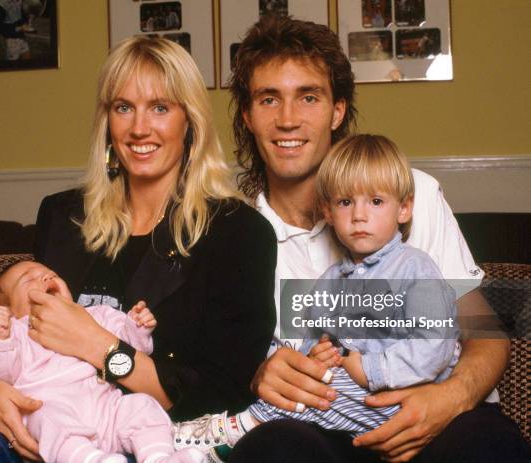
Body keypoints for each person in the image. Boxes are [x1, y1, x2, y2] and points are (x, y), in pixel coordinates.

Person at [0, 36, 277, 463]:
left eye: (160, 107)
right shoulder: (63, 215)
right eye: (123, 107)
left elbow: (219, 395)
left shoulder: (239, 233)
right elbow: (22, 338)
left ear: (190, 121)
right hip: (43, 436)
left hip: (152, 444)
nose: (139, 128)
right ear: (108, 120)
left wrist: (100, 346)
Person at [224, 14, 528, 463]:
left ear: (338, 110)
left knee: (488, 447)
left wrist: (451, 399)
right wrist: (256, 376)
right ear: (248, 116)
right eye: (270, 99)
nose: (288, 119)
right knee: (271, 450)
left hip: (438, 421)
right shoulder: (236, 233)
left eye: (308, 97)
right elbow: (218, 363)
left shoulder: (412, 193)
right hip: (324, 428)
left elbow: (487, 335)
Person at [173, 134, 460, 455]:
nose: (359, 215)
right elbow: (311, 339)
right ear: (328, 210)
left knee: (327, 387)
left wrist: (369, 368)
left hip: (401, 397)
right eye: (345, 202)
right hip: (348, 411)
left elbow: (435, 345)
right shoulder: (332, 280)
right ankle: (223, 447)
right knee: (310, 385)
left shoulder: (415, 268)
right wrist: (315, 355)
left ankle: (238, 428)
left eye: (376, 202)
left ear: (404, 208)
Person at [0, 260, 203, 463]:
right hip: (53, 412)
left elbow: (133, 350)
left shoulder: (95, 315)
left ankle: (159, 457)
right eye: (29, 280)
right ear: (9, 311)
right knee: (48, 420)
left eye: (50, 272)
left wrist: (136, 327)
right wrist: (0, 339)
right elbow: (0, 372)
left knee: (141, 405)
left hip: (106, 412)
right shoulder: (15, 332)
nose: (45, 277)